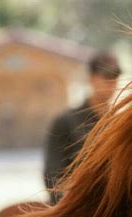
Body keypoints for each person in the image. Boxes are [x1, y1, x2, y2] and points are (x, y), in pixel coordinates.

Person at [44, 52, 121, 203]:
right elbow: (52, 173)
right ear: (92, 79)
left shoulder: (121, 121)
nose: (112, 83)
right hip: (77, 205)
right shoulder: (65, 121)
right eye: (106, 77)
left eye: (115, 77)